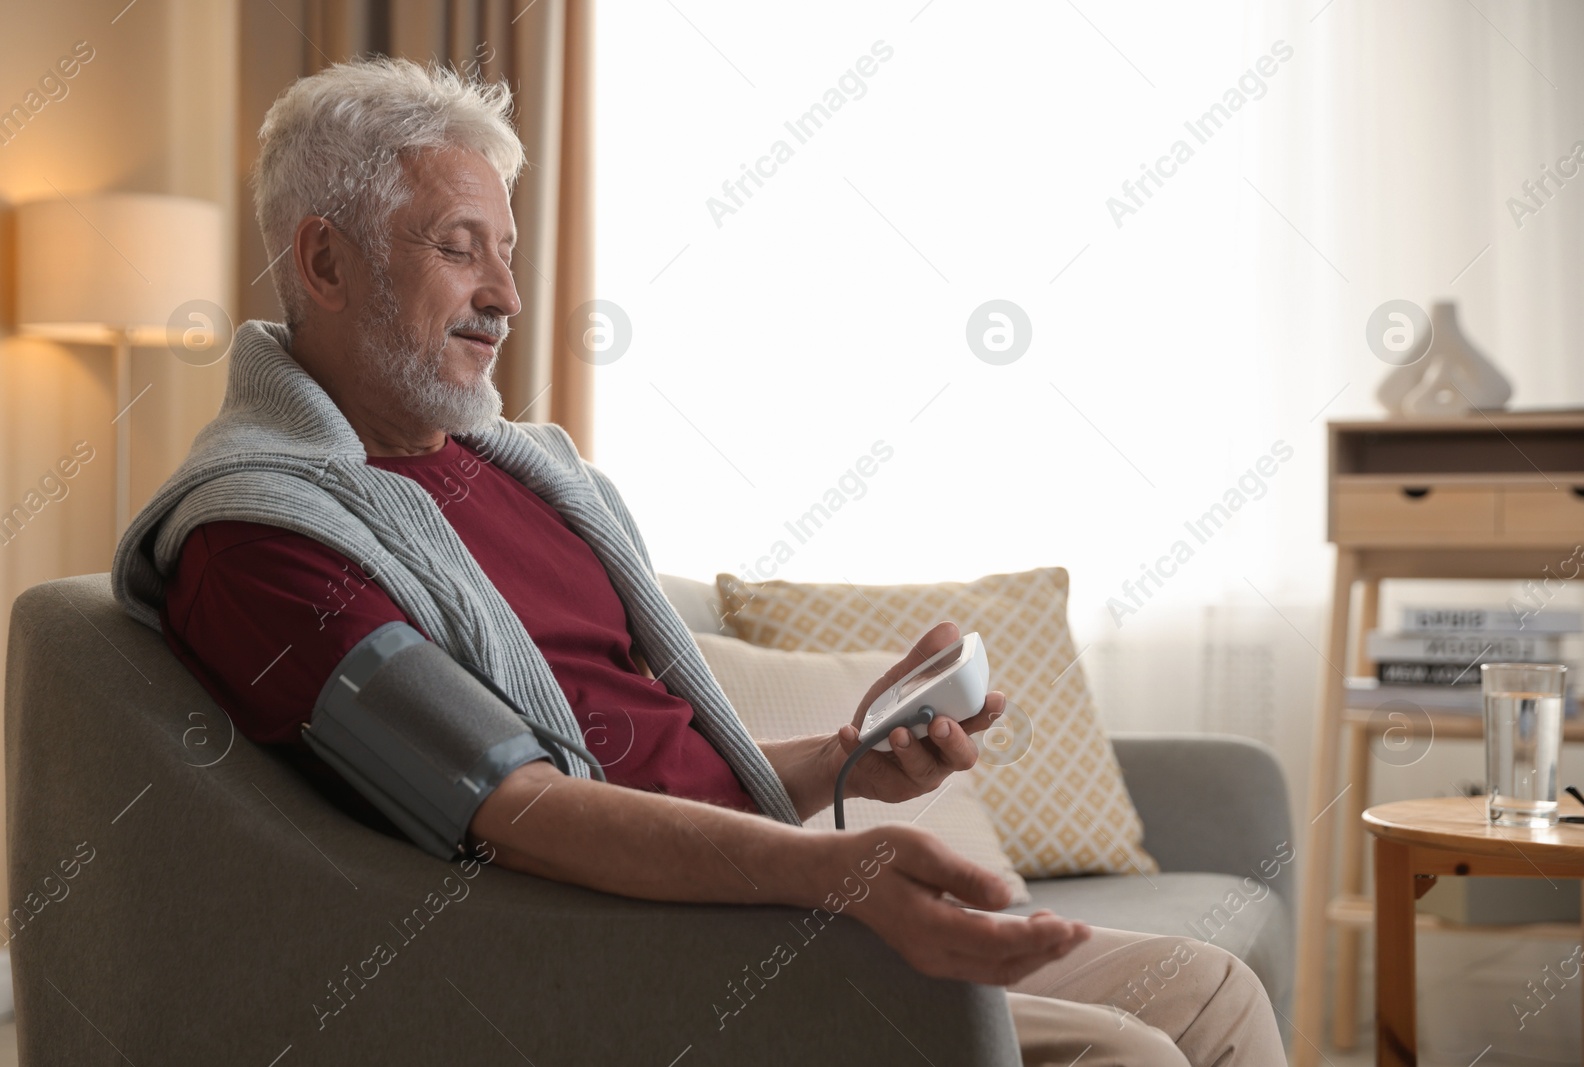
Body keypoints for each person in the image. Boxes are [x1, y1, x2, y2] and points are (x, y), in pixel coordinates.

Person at [111, 56, 1286, 1067]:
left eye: (510, 251)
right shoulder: (264, 540)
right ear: (323, 263)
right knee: (1127, 1050)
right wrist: (830, 874)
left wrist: (846, 762)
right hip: (633, 946)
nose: (509, 296)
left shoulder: (525, 472)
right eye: (460, 250)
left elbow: (652, 762)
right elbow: (515, 808)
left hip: (752, 893)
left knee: (1210, 986)